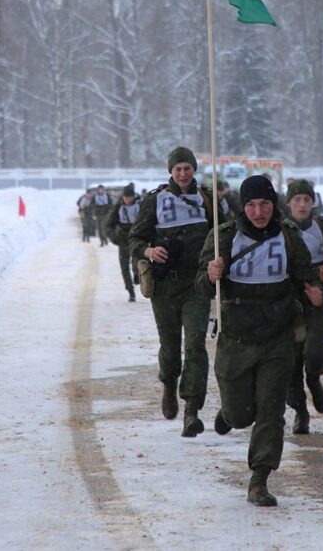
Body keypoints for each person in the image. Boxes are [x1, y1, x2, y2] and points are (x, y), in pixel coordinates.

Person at [198, 175, 323, 507]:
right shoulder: (224, 237)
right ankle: (229, 413)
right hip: (236, 338)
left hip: (276, 337)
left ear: (274, 204)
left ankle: (260, 479)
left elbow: (303, 274)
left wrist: (312, 289)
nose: (258, 212)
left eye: (265, 204)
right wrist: (211, 275)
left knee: (271, 410)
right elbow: (201, 287)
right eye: (251, 205)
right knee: (241, 415)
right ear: (243, 205)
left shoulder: (288, 236)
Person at [129, 147, 216, 437]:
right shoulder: (155, 200)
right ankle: (169, 383)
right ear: (171, 171)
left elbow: (225, 231)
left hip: (196, 284)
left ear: (194, 170)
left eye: (187, 168)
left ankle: (192, 408)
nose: (183, 174)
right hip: (165, 286)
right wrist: (148, 249)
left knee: (195, 344)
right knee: (169, 343)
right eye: (178, 169)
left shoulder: (207, 198)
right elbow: (135, 238)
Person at [283, 179, 323, 435]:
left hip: (317, 300)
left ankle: (315, 378)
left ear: (313, 202)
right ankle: (300, 411)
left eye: (306, 200)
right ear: (288, 203)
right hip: (287, 302)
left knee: (314, 352)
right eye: (297, 200)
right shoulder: (279, 229)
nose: (301, 205)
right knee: (291, 361)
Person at [106, 183, 141, 302]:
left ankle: (137, 275)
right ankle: (130, 291)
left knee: (137, 262)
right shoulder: (118, 207)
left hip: (136, 237)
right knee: (124, 267)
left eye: (130, 197)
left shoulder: (140, 206)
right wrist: (112, 237)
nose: (128, 200)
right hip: (123, 239)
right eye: (126, 197)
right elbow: (109, 224)